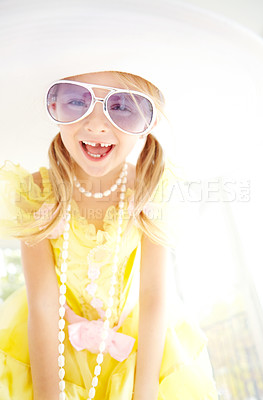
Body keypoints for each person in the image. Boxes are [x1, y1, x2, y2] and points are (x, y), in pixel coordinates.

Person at [0, 69, 218, 400]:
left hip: (136, 344)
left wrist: (143, 393)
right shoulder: (36, 192)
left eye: (121, 106)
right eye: (77, 101)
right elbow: (42, 303)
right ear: (56, 108)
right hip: (47, 345)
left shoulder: (149, 190)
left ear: (150, 120)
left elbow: (153, 295)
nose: (97, 125)